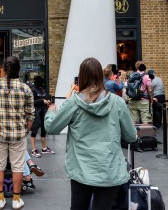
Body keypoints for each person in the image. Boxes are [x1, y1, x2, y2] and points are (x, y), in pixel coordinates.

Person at [45, 57, 137, 210]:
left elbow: (52, 127)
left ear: (82, 77)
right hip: (109, 170)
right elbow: (131, 136)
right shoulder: (117, 102)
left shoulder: (73, 103)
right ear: (101, 76)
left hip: (81, 170)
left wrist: (51, 112)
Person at [0, 56, 34, 210]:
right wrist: (26, 130)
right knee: (18, 167)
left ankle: (0, 198)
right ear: (18, 70)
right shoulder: (26, 89)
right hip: (18, 135)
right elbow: (30, 116)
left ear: (3, 69)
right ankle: (16, 200)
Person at [29, 76, 54, 158]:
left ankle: (44, 148)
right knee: (34, 131)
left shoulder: (43, 90)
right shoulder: (33, 90)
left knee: (43, 131)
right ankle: (33, 149)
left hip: (44, 112)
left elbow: (47, 98)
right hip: (36, 113)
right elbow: (32, 102)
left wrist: (49, 101)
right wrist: (42, 101)